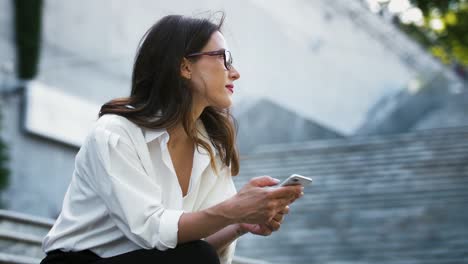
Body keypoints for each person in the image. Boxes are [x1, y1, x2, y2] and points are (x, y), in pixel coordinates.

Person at [40, 13, 303, 264]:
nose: (234, 72)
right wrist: (232, 210)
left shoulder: (209, 148)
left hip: (151, 259)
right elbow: (150, 229)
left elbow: (187, 249)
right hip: (80, 261)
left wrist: (238, 224)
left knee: (197, 255)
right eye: (224, 58)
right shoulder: (115, 133)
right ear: (185, 66)